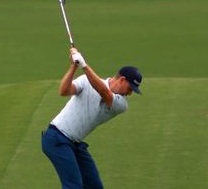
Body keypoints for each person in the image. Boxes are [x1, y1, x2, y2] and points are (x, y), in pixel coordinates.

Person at [42, 46, 143, 188]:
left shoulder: (121, 104)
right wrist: (74, 66)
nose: (130, 93)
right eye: (130, 88)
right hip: (56, 138)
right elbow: (63, 91)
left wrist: (84, 65)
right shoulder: (85, 80)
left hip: (75, 144)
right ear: (122, 80)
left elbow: (103, 91)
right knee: (73, 185)